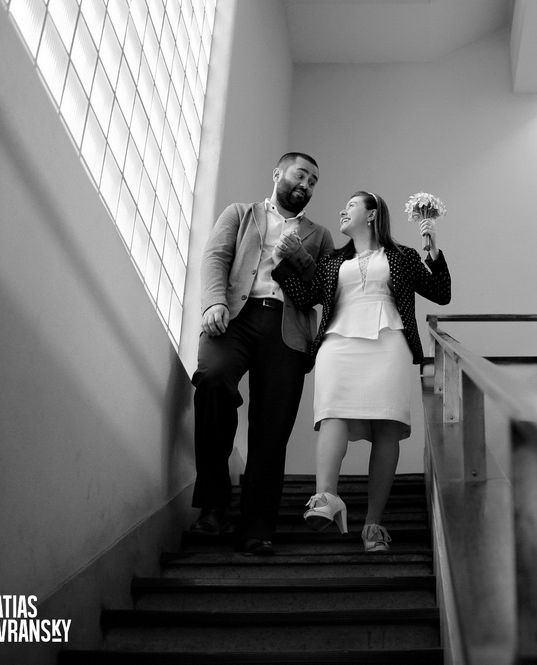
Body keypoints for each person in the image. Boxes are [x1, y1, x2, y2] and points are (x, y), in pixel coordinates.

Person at [274, 191, 451, 553]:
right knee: (332, 414)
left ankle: (373, 524)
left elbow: (441, 292)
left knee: (386, 425)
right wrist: (280, 263)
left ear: (371, 215)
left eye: (351, 205)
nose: (342, 210)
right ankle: (326, 498)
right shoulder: (331, 261)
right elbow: (307, 297)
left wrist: (431, 246)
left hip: (389, 342)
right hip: (337, 344)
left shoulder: (403, 256)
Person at [190, 152, 335, 555]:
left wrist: (297, 256)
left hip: (286, 331)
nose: (306, 184)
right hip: (233, 318)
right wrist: (213, 302)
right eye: (301, 174)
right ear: (278, 174)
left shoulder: (320, 234)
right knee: (214, 383)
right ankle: (214, 508)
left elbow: (324, 287)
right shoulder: (240, 213)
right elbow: (215, 257)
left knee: (272, 428)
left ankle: (257, 525)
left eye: (313, 181)